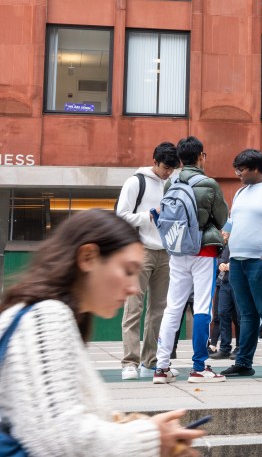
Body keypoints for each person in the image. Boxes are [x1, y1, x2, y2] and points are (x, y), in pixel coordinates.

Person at [0, 209, 205, 456]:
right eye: (128, 271)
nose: (133, 288)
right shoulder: (47, 315)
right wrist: (151, 438)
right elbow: (61, 439)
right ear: (88, 257)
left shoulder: (46, 314)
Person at [153, 136, 228, 384]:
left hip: (177, 250)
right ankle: (199, 367)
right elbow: (221, 217)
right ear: (201, 157)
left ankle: (161, 367)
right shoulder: (209, 184)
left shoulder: (171, 183)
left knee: (172, 307)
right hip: (203, 251)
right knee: (203, 307)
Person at [220, 148, 262, 377]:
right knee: (246, 315)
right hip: (237, 261)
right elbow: (232, 219)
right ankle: (243, 362)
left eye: (242, 169)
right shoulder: (240, 192)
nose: (238, 173)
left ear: (256, 168)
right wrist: (225, 233)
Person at [116, 142, 179, 380]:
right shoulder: (136, 182)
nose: (168, 172)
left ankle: (150, 362)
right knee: (134, 308)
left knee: (159, 311)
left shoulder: (171, 184)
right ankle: (129, 362)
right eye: (165, 167)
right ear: (155, 161)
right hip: (140, 250)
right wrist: (149, 216)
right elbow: (121, 215)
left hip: (166, 252)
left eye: (172, 168)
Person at [208, 243, 238, 360]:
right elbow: (220, 258)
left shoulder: (238, 238)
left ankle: (240, 348)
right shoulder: (225, 244)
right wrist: (221, 264)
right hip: (224, 282)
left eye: (226, 230)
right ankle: (225, 348)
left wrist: (232, 265)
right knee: (222, 314)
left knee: (238, 317)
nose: (224, 232)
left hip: (237, 281)